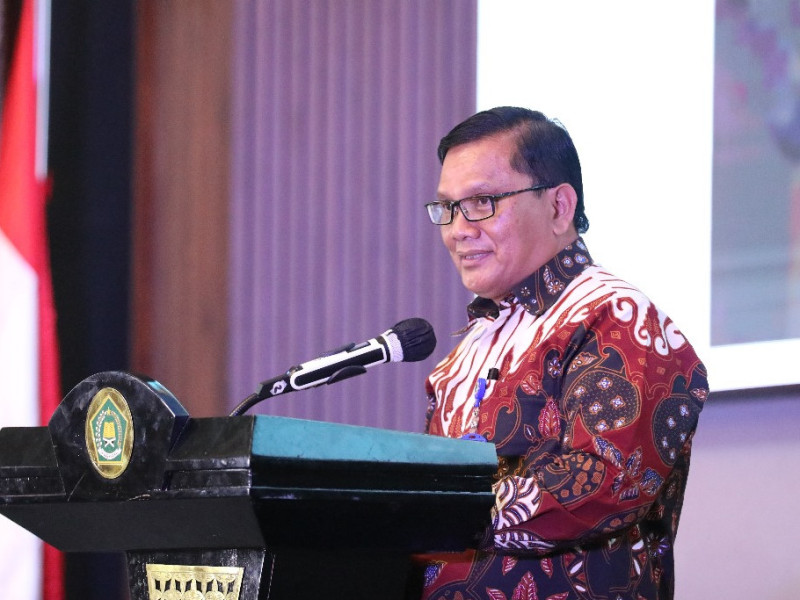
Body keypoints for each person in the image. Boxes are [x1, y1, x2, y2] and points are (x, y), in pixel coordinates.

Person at [414, 107, 708, 600]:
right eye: (447, 207)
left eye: (482, 202)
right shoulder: (461, 357)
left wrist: (424, 512)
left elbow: (604, 480)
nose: (458, 229)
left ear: (559, 206)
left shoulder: (615, 315)